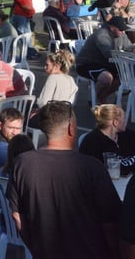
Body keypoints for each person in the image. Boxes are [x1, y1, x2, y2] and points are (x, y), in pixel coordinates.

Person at [7, 101, 120, 259]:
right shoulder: (92, 167)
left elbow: (16, 215)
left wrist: (35, 246)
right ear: (70, 128)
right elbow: (110, 224)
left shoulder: (23, 164)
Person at [76, 16, 130, 105]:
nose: (123, 32)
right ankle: (95, 100)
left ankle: (103, 96)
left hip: (106, 63)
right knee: (106, 78)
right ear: (112, 28)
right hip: (87, 63)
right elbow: (109, 54)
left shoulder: (121, 34)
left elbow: (129, 47)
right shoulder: (102, 35)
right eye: (121, 29)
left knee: (125, 76)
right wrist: (124, 57)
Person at [80, 104, 135, 175]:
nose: (125, 121)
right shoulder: (92, 143)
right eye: (123, 118)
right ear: (115, 122)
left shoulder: (126, 135)